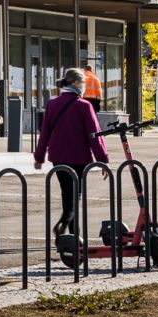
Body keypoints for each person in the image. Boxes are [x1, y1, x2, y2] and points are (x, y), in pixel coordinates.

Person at [33, 68, 109, 243]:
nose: (84, 86)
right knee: (75, 195)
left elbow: (45, 133)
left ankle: (70, 234)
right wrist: (103, 160)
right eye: (83, 83)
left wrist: (39, 157)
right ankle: (67, 226)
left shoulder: (52, 104)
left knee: (67, 194)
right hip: (79, 157)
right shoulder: (84, 106)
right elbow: (94, 135)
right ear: (76, 83)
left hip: (58, 156)